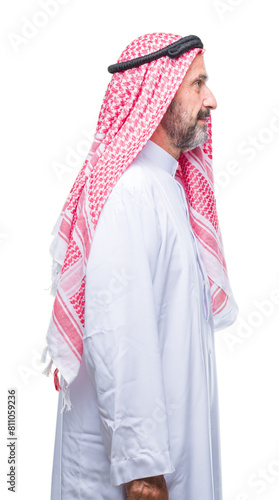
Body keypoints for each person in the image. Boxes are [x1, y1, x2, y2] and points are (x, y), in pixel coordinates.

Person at [42, 33, 238, 499]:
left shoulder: (164, 188)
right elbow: (119, 333)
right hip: (139, 477)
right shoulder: (130, 193)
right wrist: (143, 470)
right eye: (198, 84)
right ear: (157, 94)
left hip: (166, 456)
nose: (211, 99)